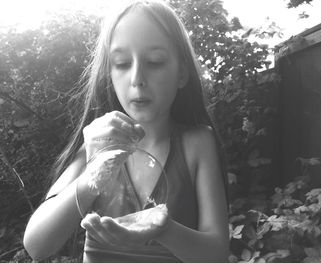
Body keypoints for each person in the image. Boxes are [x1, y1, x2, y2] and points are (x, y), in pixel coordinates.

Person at [23, 0, 229, 262]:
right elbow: (37, 246)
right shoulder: (96, 145)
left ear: (182, 74)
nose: (136, 78)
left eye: (154, 62)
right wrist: (93, 175)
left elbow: (217, 255)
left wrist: (163, 229)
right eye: (121, 63)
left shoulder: (196, 143)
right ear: (109, 74)